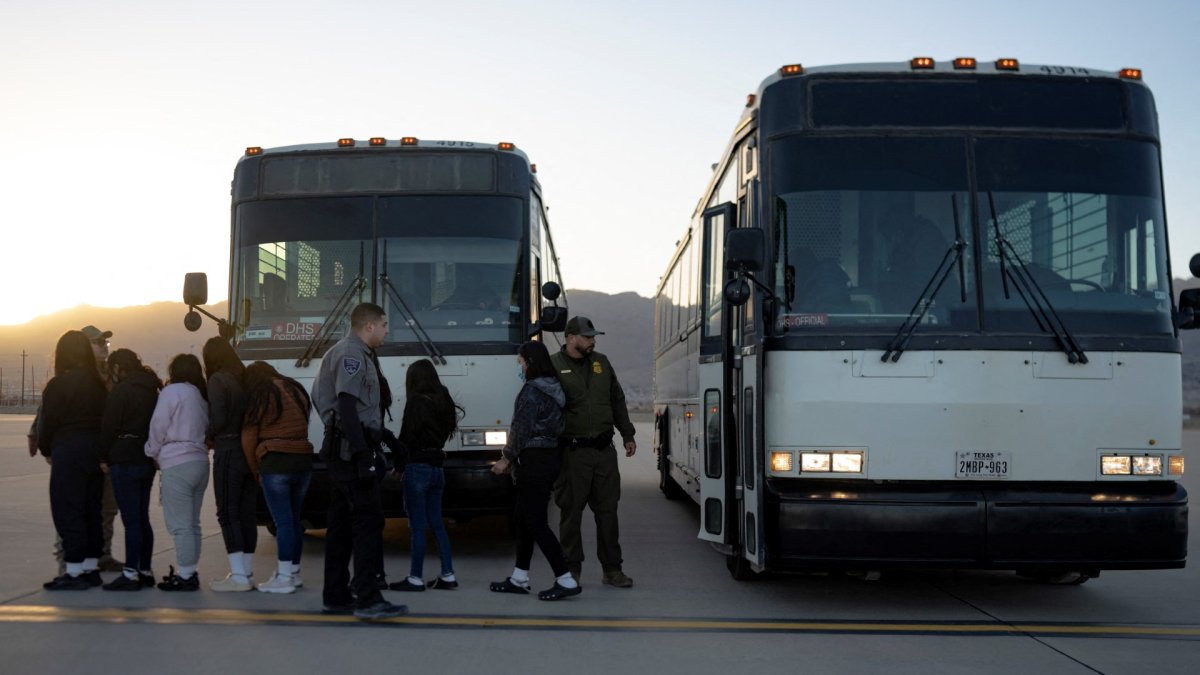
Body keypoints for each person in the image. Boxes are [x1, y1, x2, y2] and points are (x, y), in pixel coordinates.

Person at [311, 302, 406, 620]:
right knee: (368, 522)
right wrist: (364, 454)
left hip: (345, 450)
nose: (386, 330)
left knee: (339, 526)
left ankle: (336, 595)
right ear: (369, 326)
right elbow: (347, 406)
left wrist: (384, 438)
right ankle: (368, 598)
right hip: (351, 454)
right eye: (384, 324)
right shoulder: (351, 355)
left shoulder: (352, 353)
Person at [28, 324, 122, 574]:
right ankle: (68, 561)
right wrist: (38, 435)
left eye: (105, 342)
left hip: (100, 455)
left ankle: (101, 556)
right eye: (97, 342)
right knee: (74, 507)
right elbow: (47, 413)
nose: (104, 346)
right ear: (84, 348)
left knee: (105, 509)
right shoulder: (76, 380)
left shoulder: (111, 375)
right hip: (88, 452)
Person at [490, 341, 579, 601]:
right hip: (550, 457)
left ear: (529, 362)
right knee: (522, 517)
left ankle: (565, 579)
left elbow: (521, 429)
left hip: (533, 461)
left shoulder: (531, 392)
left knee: (536, 521)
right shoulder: (554, 389)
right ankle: (519, 577)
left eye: (520, 362)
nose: (520, 367)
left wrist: (505, 458)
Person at [551, 316, 637, 588]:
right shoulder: (554, 365)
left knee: (608, 513)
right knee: (571, 514)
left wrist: (628, 434)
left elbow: (617, 399)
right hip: (572, 453)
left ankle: (612, 570)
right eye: (587, 336)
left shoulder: (602, 362)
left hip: (603, 451)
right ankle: (571, 571)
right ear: (571, 337)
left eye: (593, 336)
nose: (592, 340)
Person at [38, 331, 108, 590]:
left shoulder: (59, 384)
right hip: (94, 450)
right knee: (92, 509)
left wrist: (46, 448)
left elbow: (49, 421)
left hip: (68, 449)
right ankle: (91, 568)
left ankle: (74, 572)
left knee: (68, 509)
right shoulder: (97, 384)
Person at [389, 359, 461, 593]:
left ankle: (415, 578)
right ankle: (448, 575)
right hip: (437, 469)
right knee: (437, 524)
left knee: (417, 526)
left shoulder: (416, 403)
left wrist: (398, 466)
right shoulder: (443, 400)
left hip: (417, 467)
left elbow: (406, 439)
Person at [241, 361, 314, 594]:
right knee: (294, 521)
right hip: (303, 461)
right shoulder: (294, 388)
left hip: (276, 463)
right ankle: (293, 572)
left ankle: (283, 578)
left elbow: (248, 438)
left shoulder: (260, 394)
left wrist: (256, 470)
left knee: (283, 523)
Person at [145, 354, 210, 592]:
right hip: (200, 462)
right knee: (193, 523)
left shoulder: (172, 392)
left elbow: (158, 425)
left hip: (177, 462)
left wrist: (151, 451)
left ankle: (186, 577)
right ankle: (189, 572)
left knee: (180, 525)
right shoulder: (201, 395)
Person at [98, 349, 161, 591]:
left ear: (118, 368)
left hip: (124, 459)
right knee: (142, 517)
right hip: (146, 458)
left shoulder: (122, 391)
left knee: (131, 519)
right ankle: (145, 569)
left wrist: (103, 456)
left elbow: (109, 426)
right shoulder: (152, 389)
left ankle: (131, 572)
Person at [202, 337, 256, 592]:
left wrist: (207, 434)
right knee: (246, 513)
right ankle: (245, 572)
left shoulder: (217, 380)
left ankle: (238, 577)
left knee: (227, 513)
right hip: (248, 449)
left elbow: (219, 419)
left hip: (227, 449)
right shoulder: (244, 377)